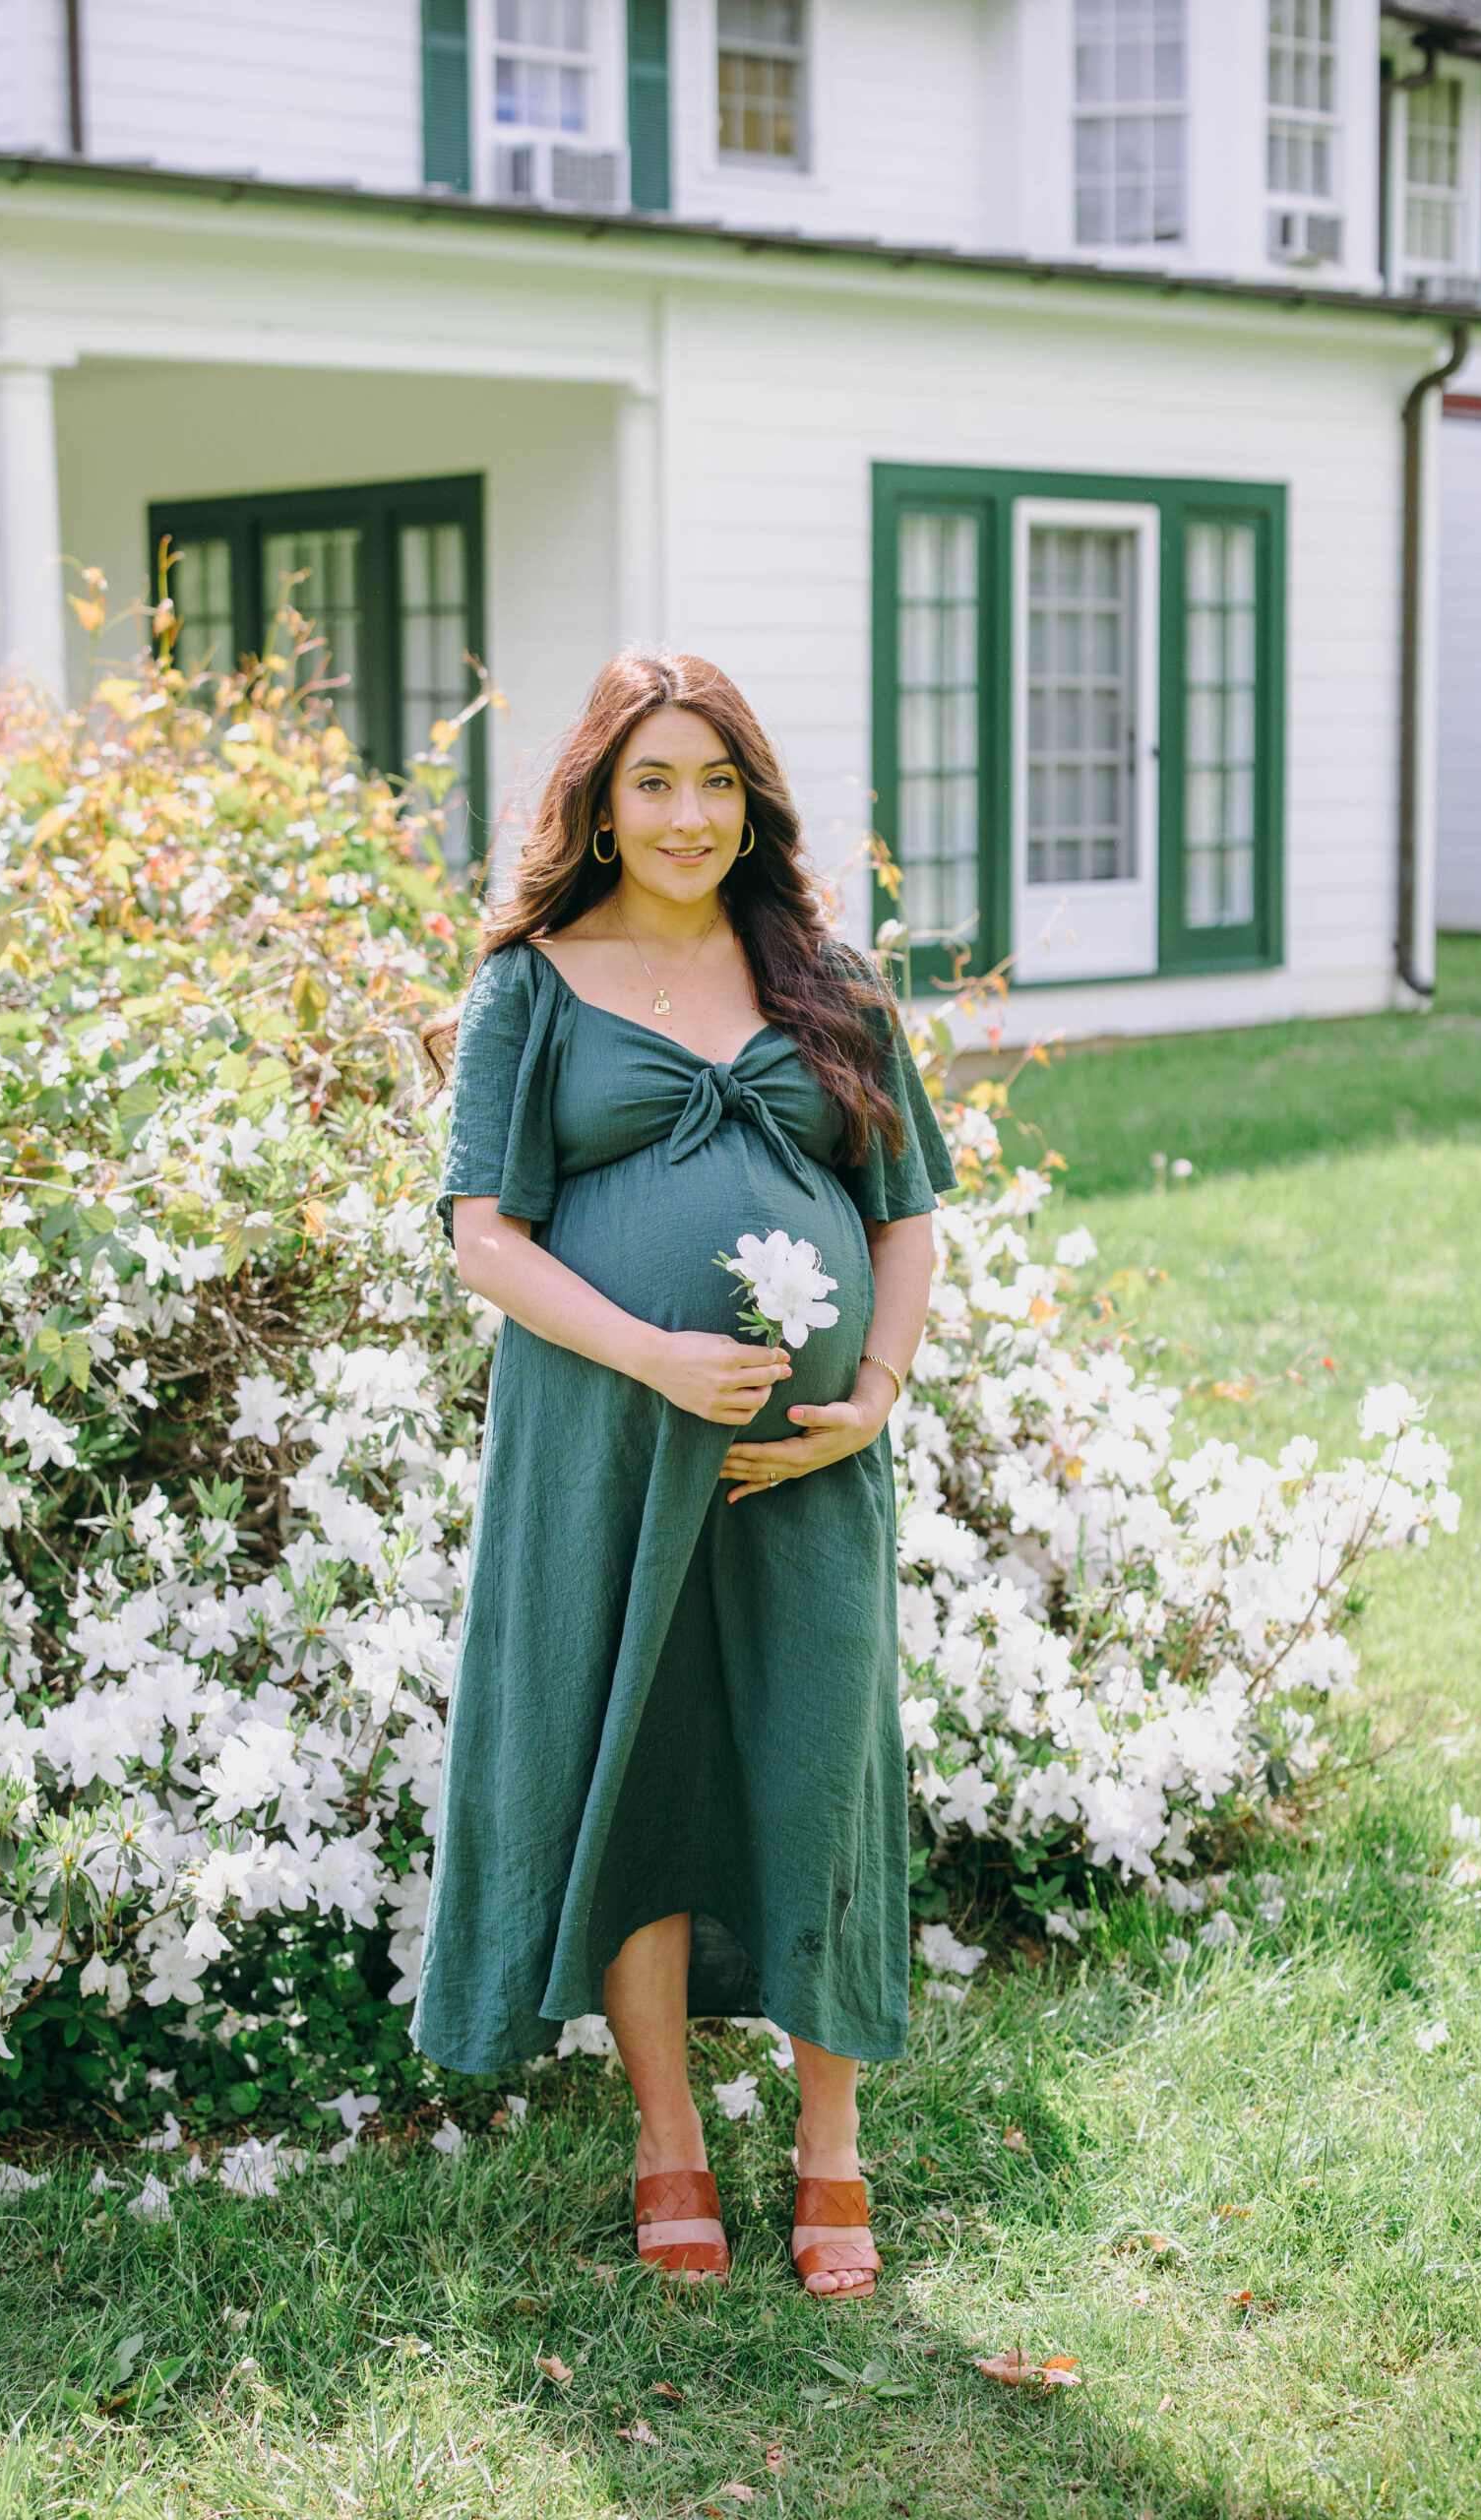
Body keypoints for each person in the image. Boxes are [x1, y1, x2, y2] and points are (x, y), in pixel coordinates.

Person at [415, 652, 955, 2299]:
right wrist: (654, 1356)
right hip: (607, 1444)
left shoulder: (829, 980)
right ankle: (670, 2148)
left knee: (812, 1758)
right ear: (597, 798)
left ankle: (832, 2153)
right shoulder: (529, 986)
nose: (687, 814)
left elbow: (907, 1214)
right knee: (635, 1762)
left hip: (803, 1463)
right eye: (654, 781)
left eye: (717, 781)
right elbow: (483, 1242)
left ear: (754, 802)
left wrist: (868, 1392)